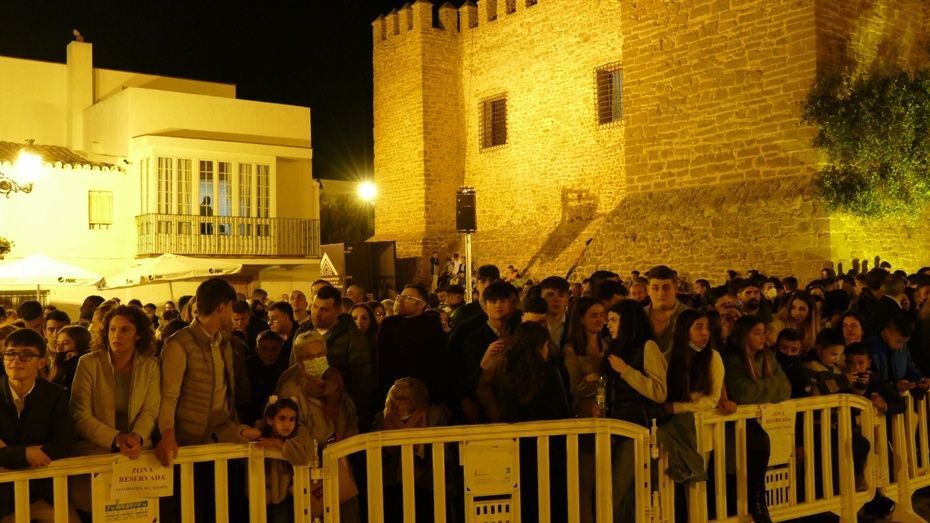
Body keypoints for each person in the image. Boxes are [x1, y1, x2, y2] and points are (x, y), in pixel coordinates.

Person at [156, 278, 258, 522]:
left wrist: (239, 430)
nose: (233, 314)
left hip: (222, 440)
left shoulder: (224, 343)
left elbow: (225, 395)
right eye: (232, 307)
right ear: (222, 307)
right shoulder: (178, 344)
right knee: (196, 511)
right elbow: (168, 397)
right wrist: (168, 434)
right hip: (189, 446)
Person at [595, 300, 667, 522]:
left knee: (621, 487)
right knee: (621, 491)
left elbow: (659, 391)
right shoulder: (616, 349)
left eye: (614, 320)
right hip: (617, 425)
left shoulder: (647, 347)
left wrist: (626, 371)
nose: (609, 325)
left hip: (637, 427)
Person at [497, 322, 571, 522]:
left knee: (525, 500)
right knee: (553, 500)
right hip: (551, 446)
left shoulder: (508, 371)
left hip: (519, 447)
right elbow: (561, 408)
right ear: (542, 346)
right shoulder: (551, 372)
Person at [0, 328, 74, 520]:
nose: (15, 360)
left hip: (40, 488)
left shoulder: (55, 395)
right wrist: (25, 453)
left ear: (41, 362)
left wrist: (8, 453)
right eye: (10, 353)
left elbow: (63, 445)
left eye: (26, 355)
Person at [724, 315, 791, 523]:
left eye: (764, 333)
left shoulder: (768, 357)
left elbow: (786, 387)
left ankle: (759, 503)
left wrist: (762, 389)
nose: (762, 337)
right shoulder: (732, 360)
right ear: (744, 335)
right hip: (736, 427)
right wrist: (771, 388)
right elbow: (743, 393)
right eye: (757, 333)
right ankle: (757, 503)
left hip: (767, 421)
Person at [372, 378, 451, 522]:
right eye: (395, 398)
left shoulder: (433, 416)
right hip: (392, 486)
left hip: (427, 484)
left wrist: (419, 448)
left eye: (403, 399)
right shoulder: (382, 418)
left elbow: (445, 455)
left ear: (417, 399)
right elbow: (376, 457)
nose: (397, 403)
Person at [562, 297, 608, 523]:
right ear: (581, 319)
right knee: (585, 480)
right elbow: (576, 386)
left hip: (609, 415)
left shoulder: (608, 345)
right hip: (585, 415)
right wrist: (597, 380)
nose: (600, 320)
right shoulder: (572, 350)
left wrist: (595, 378)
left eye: (602, 315)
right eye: (594, 315)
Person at [305, 285, 375, 429]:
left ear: (337, 311)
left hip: (339, 412)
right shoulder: (303, 332)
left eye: (324, 309)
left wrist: (348, 413)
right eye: (315, 307)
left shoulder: (353, 338)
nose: (317, 313)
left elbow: (362, 381)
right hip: (307, 410)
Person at [377, 284, 447, 404]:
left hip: (425, 390)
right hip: (394, 389)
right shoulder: (389, 324)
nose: (400, 300)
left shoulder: (432, 324)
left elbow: (438, 360)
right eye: (400, 296)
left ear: (421, 304)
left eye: (407, 298)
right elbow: (382, 360)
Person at [253, 396, 314, 523]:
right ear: (270, 420)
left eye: (292, 419)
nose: (287, 424)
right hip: (257, 497)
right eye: (282, 418)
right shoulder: (259, 432)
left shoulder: (300, 434)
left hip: (285, 498)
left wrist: (279, 444)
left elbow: (304, 455)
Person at [243, 330, 291, 426]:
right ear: (257, 350)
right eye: (264, 349)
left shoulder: (286, 370)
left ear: (280, 349)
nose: (269, 353)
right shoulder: (247, 367)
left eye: (274, 349)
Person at [644, 266, 691, 354]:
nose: (661, 293)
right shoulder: (639, 316)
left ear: (675, 288)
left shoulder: (690, 317)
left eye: (666, 288)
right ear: (648, 290)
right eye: (655, 288)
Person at [49, 325, 91, 390]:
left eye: (65, 343)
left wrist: (74, 362)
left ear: (80, 345)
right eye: (57, 344)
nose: (59, 348)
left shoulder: (87, 366)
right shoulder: (57, 366)